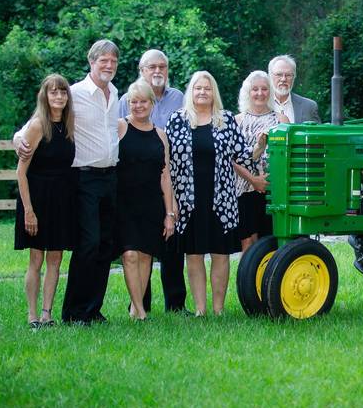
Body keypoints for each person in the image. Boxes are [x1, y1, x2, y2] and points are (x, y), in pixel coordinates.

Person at [15, 40, 121, 325]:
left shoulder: (115, 93)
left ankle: (93, 309)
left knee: (105, 247)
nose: (109, 65)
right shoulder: (73, 93)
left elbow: (117, 129)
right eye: (103, 61)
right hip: (84, 178)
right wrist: (19, 141)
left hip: (110, 177)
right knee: (88, 244)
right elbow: (32, 125)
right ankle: (74, 311)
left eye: (113, 61)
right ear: (91, 62)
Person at [167, 71, 261, 316]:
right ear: (191, 91)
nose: (202, 92)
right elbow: (166, 162)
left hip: (221, 200)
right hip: (188, 201)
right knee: (194, 255)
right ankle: (200, 310)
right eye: (198, 88)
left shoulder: (227, 120)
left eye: (207, 88)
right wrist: (170, 202)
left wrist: (259, 148)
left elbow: (243, 155)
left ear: (213, 92)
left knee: (221, 254)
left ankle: (218, 309)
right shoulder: (177, 120)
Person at [119, 49, 187, 314]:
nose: (158, 71)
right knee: (133, 251)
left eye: (162, 67)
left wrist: (172, 206)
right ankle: (139, 305)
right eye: (152, 67)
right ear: (141, 70)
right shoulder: (125, 102)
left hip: (165, 183)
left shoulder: (178, 98)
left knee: (163, 250)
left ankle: (175, 304)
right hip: (130, 187)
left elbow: (167, 167)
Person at [15, 74, 77, 328]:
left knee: (56, 259)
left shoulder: (69, 124)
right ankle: (32, 316)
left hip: (62, 198)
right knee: (36, 259)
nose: (59, 97)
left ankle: (46, 313)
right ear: (45, 95)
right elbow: (20, 172)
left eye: (63, 92)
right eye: (54, 92)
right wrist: (29, 211)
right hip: (37, 200)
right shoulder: (38, 125)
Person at [235, 70, 289, 253]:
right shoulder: (237, 121)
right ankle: (247, 280)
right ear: (247, 92)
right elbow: (230, 160)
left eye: (264, 89)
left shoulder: (281, 120)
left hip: (272, 190)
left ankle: (271, 280)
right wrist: (253, 180)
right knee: (248, 242)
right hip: (244, 189)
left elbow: (288, 158)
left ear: (270, 92)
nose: (260, 93)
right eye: (255, 89)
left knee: (270, 241)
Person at [268, 55, 320, 123]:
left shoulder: (309, 107)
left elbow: (316, 133)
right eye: (279, 74)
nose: (283, 79)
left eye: (288, 75)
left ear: (294, 77)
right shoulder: (259, 105)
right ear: (269, 76)